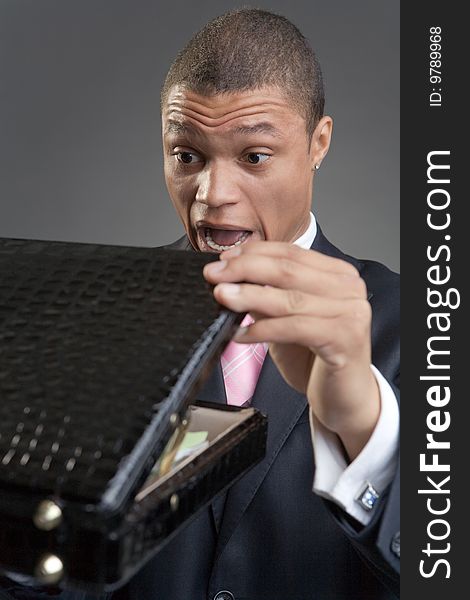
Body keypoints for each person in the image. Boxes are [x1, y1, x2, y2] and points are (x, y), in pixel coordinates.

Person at [1, 8, 399, 600]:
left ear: (319, 142)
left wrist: (364, 427)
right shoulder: (91, 319)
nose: (213, 197)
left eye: (255, 156)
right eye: (187, 155)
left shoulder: (424, 319)